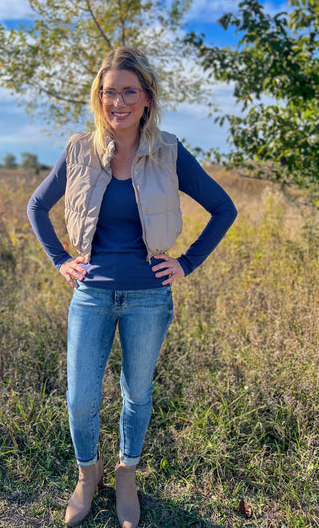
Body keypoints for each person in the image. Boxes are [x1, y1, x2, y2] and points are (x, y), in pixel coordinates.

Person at [27, 46, 237, 528]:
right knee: (80, 398)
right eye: (107, 93)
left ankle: (126, 474)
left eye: (127, 92)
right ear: (97, 98)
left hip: (148, 295)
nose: (116, 102)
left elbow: (224, 208)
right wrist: (61, 260)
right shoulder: (80, 149)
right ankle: (88, 474)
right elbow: (36, 207)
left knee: (136, 393)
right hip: (92, 294)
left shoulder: (169, 151)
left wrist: (186, 263)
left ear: (147, 98)